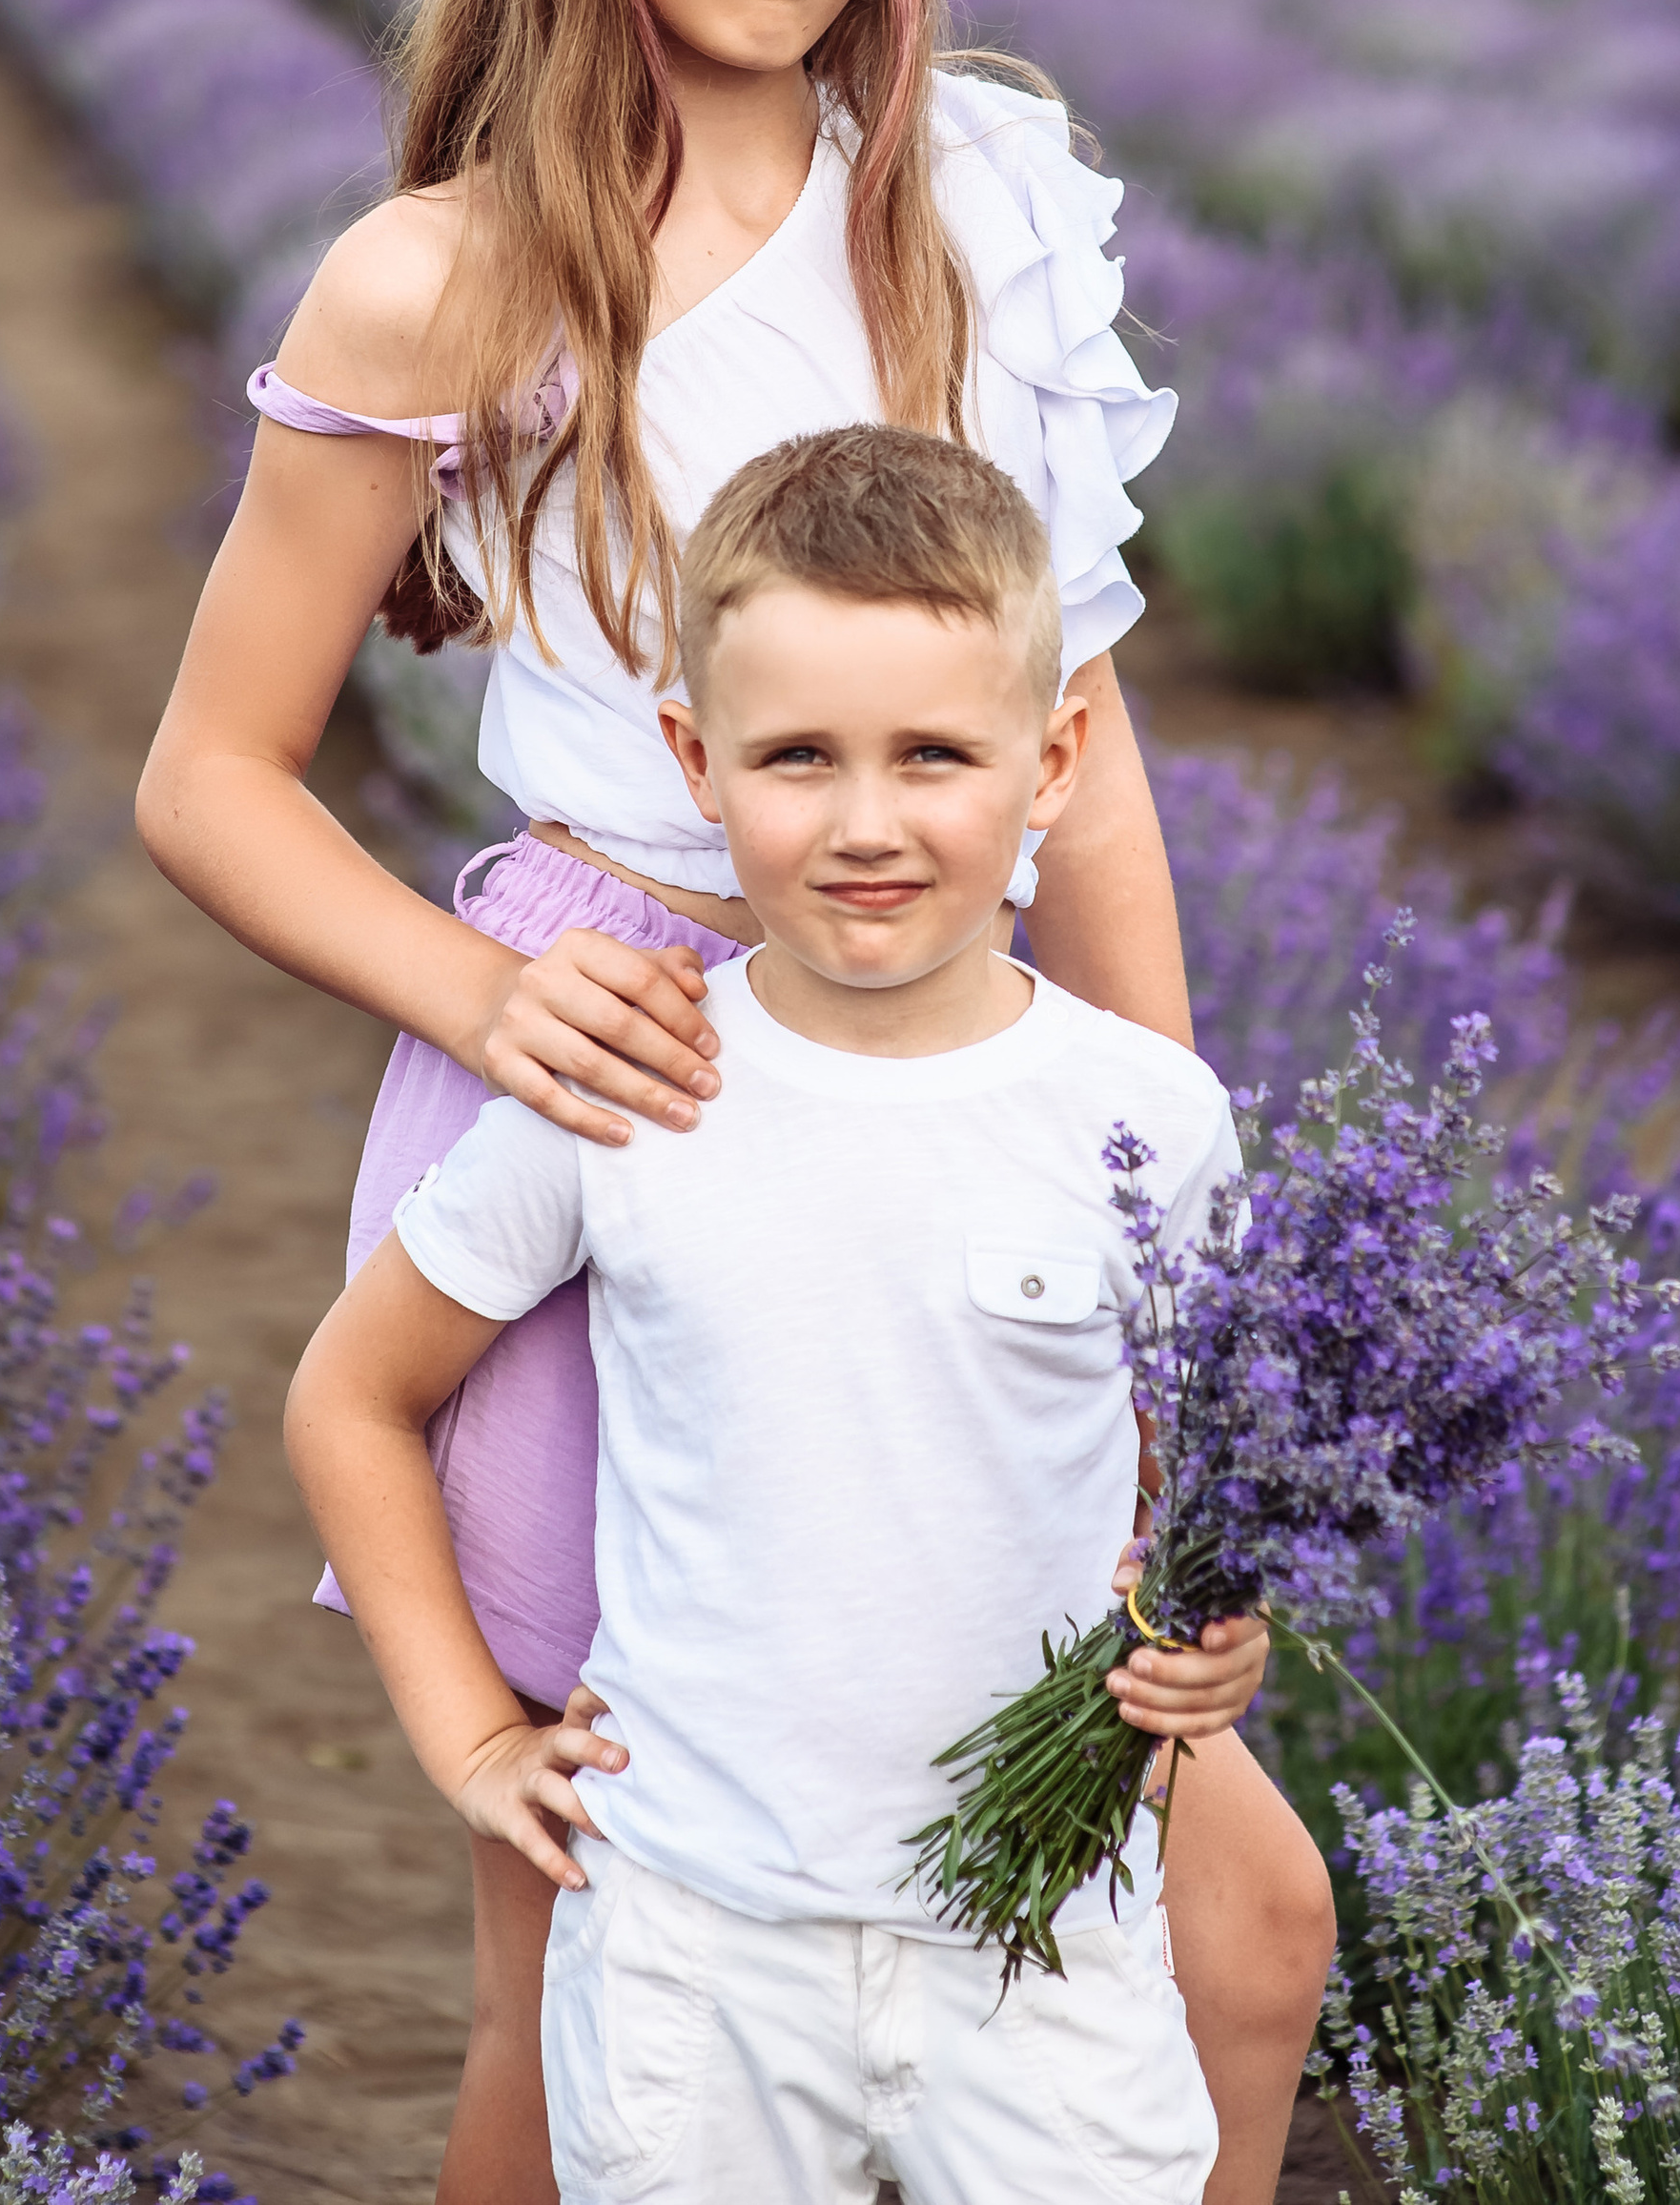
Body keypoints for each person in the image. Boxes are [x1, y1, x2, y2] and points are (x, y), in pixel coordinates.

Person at [136, 0, 1335, 2201]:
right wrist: (475, 1004)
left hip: (958, 1075)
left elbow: (1090, 748)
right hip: (627, 1068)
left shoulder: (981, 218)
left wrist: (1166, 1200)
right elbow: (207, 772)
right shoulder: (442, 278)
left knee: (1227, 1924)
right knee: (588, 1954)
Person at [288, 427, 1256, 2205]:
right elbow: (351, 1395)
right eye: (799, 756)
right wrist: (475, 1738)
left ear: (1050, 766)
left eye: (935, 756)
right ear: (695, 761)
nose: (867, 820)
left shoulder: (1147, 1118)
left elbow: (1201, 1484)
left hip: (1040, 1935)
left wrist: (1209, 1637)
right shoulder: (636, 1085)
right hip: (695, 1944)